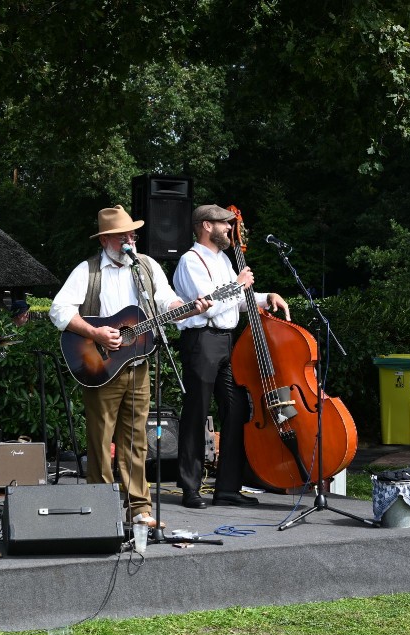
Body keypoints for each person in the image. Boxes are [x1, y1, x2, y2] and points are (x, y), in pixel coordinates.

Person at [49, 205, 210, 527]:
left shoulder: (146, 266)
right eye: (123, 235)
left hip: (138, 365)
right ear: (106, 238)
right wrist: (95, 332)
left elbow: (166, 301)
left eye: (132, 234)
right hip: (101, 367)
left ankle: (140, 510)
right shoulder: (88, 270)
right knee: (100, 439)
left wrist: (190, 308)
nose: (130, 239)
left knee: (137, 440)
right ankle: (101, 509)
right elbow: (58, 310)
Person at [172, 204, 290, 508]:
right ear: (206, 226)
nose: (229, 228)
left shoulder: (224, 259)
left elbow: (237, 301)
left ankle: (227, 487)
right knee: (197, 412)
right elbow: (207, 303)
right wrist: (237, 284)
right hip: (201, 339)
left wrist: (264, 297)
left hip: (226, 341)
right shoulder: (190, 260)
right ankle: (190, 487)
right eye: (224, 223)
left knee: (237, 409)